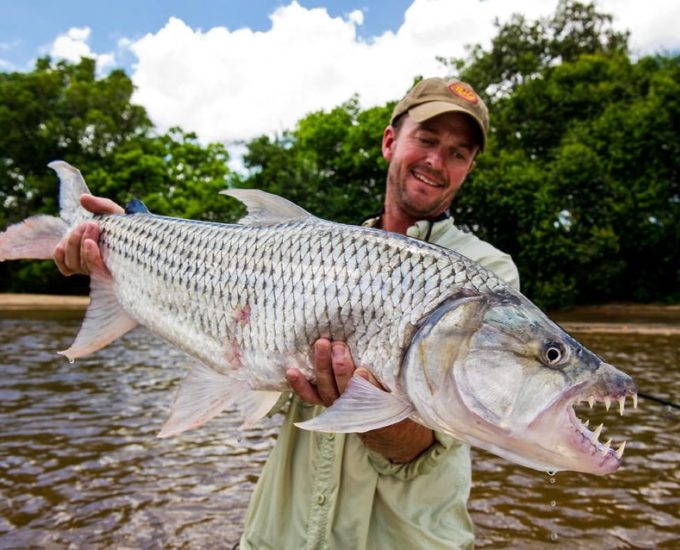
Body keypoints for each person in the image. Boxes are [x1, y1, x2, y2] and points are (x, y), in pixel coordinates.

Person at [54, 77, 520, 549]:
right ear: (389, 141)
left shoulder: (486, 275)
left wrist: (358, 404)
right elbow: (265, 383)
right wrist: (123, 245)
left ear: (470, 167)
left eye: (459, 152)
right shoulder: (312, 250)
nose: (437, 162)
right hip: (278, 535)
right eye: (426, 139)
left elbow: (433, 439)